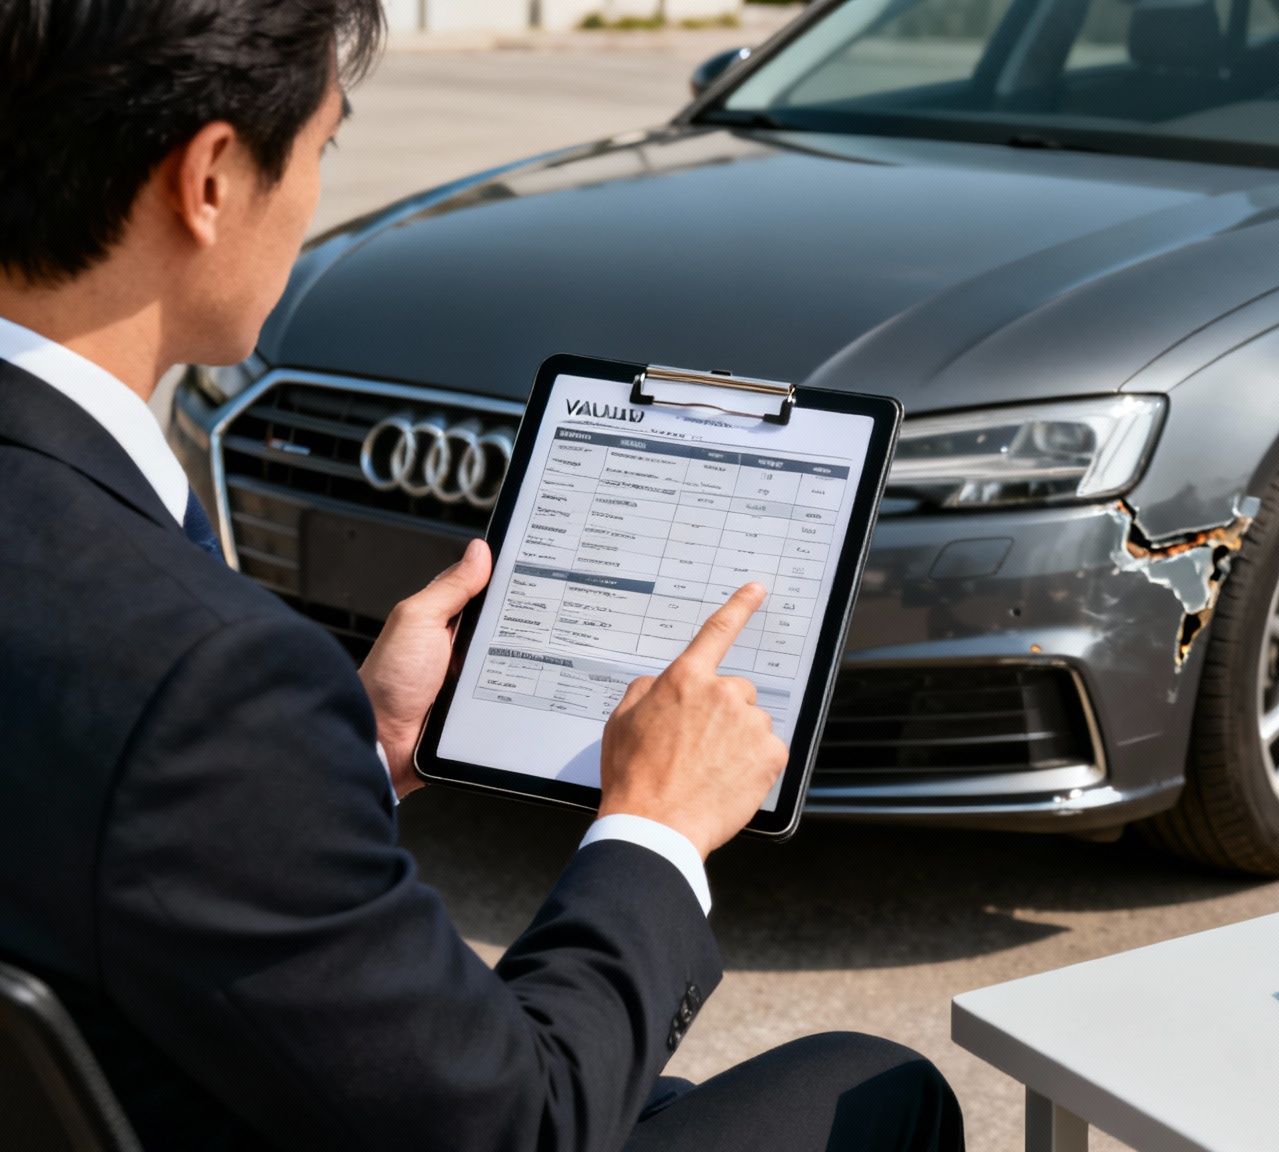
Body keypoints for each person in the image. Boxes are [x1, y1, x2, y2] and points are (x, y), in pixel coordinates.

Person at [0, 2, 965, 1149]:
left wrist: (346, 750)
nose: (312, 199)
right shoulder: (207, 680)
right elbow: (521, 1124)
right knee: (872, 1089)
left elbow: (103, 801)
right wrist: (653, 827)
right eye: (321, 146)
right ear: (209, 179)